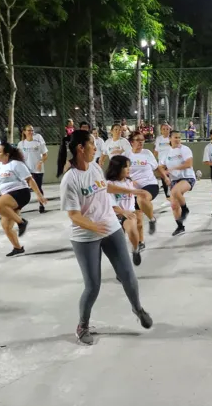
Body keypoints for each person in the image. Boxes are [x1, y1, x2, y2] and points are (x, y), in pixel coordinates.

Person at [58, 130, 153, 346]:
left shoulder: (94, 166)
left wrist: (135, 193)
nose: (96, 148)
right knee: (93, 285)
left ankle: (137, 308)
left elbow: (105, 186)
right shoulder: (70, 180)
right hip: (85, 236)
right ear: (81, 148)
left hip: (110, 228)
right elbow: (73, 215)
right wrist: (93, 226)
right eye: (92, 144)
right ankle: (82, 325)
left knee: (128, 274)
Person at [0, 143, 47, 257]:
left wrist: (39, 195)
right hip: (8, 196)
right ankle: (18, 248)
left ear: (7, 154)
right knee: (6, 226)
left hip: (20, 192)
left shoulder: (16, 164)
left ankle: (21, 222)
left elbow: (30, 180)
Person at [127, 131, 163, 246]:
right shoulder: (125, 155)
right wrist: (130, 181)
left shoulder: (147, 153)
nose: (141, 142)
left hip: (150, 184)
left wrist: (166, 179)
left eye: (142, 140)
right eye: (138, 140)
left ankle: (152, 219)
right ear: (131, 142)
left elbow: (157, 168)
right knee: (138, 220)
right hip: (132, 189)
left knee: (142, 198)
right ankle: (140, 241)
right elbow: (121, 172)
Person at [106, 156, 143, 266]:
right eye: (126, 167)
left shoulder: (129, 182)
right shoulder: (109, 184)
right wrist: (122, 212)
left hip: (128, 215)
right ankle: (120, 270)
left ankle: (136, 249)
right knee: (117, 247)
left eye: (129, 166)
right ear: (117, 168)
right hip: (114, 216)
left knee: (132, 230)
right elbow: (110, 205)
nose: (129, 169)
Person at [161, 130, 196, 236]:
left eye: (179, 138)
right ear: (170, 139)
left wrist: (173, 168)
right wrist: (165, 176)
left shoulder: (185, 149)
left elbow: (189, 164)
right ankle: (180, 227)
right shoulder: (166, 152)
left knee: (176, 191)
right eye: (175, 137)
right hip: (174, 179)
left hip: (187, 177)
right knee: (174, 205)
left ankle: (185, 209)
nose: (178, 140)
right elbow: (161, 167)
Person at [18, 124, 49, 214]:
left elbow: (45, 155)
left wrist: (40, 162)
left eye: (32, 130)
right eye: (29, 130)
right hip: (26, 170)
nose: (31, 132)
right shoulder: (21, 144)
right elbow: (19, 157)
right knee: (23, 188)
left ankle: (41, 205)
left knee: (38, 187)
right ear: (24, 132)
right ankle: (19, 206)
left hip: (38, 170)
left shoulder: (38, 142)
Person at [154, 123, 172, 199]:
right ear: (161, 130)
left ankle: (174, 193)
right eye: (163, 129)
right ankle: (168, 195)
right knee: (164, 178)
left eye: (167, 129)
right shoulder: (158, 139)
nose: (165, 131)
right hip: (161, 163)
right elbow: (156, 151)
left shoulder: (172, 138)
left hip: (171, 162)